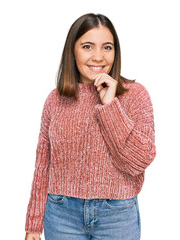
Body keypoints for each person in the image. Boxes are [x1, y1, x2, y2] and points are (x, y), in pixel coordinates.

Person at [25, 13, 156, 240]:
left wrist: (110, 106)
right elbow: (42, 165)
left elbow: (139, 161)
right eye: (87, 46)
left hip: (117, 216)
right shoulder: (55, 100)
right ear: (72, 51)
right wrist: (33, 225)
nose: (98, 57)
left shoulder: (135, 95)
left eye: (107, 47)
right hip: (61, 214)